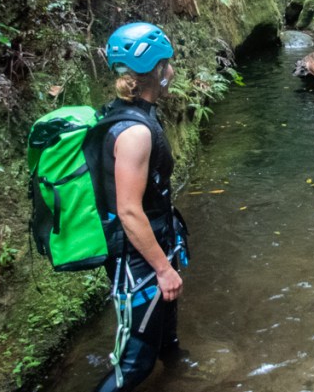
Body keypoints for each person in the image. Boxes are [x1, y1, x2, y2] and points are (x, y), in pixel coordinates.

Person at [97, 21, 189, 391]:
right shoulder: (135, 132)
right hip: (137, 260)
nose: (173, 70)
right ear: (157, 70)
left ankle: (182, 376)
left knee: (166, 338)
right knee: (135, 365)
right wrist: (163, 269)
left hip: (154, 245)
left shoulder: (134, 113)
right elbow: (129, 210)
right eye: (168, 63)